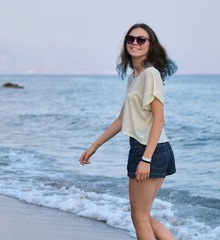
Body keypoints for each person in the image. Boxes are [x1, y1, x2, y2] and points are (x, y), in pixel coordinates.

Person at [79, 23, 177, 240]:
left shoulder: (151, 74)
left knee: (139, 218)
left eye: (141, 39)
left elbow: (159, 120)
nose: (135, 43)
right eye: (130, 39)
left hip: (149, 150)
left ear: (150, 45)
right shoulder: (135, 77)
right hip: (153, 149)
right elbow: (122, 119)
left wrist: (146, 158)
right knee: (143, 216)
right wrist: (94, 146)